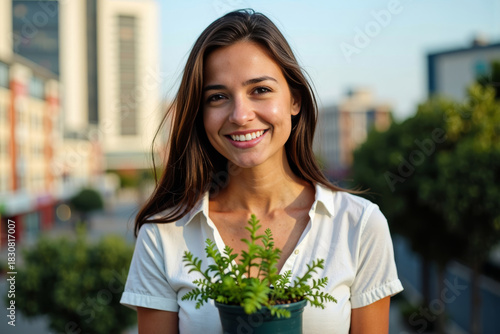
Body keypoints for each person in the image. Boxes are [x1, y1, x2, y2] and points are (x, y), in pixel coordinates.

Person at [120, 9, 403, 334]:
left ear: (294, 100)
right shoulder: (162, 235)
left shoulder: (359, 225)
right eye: (218, 97)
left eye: (260, 90)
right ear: (200, 114)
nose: (240, 115)